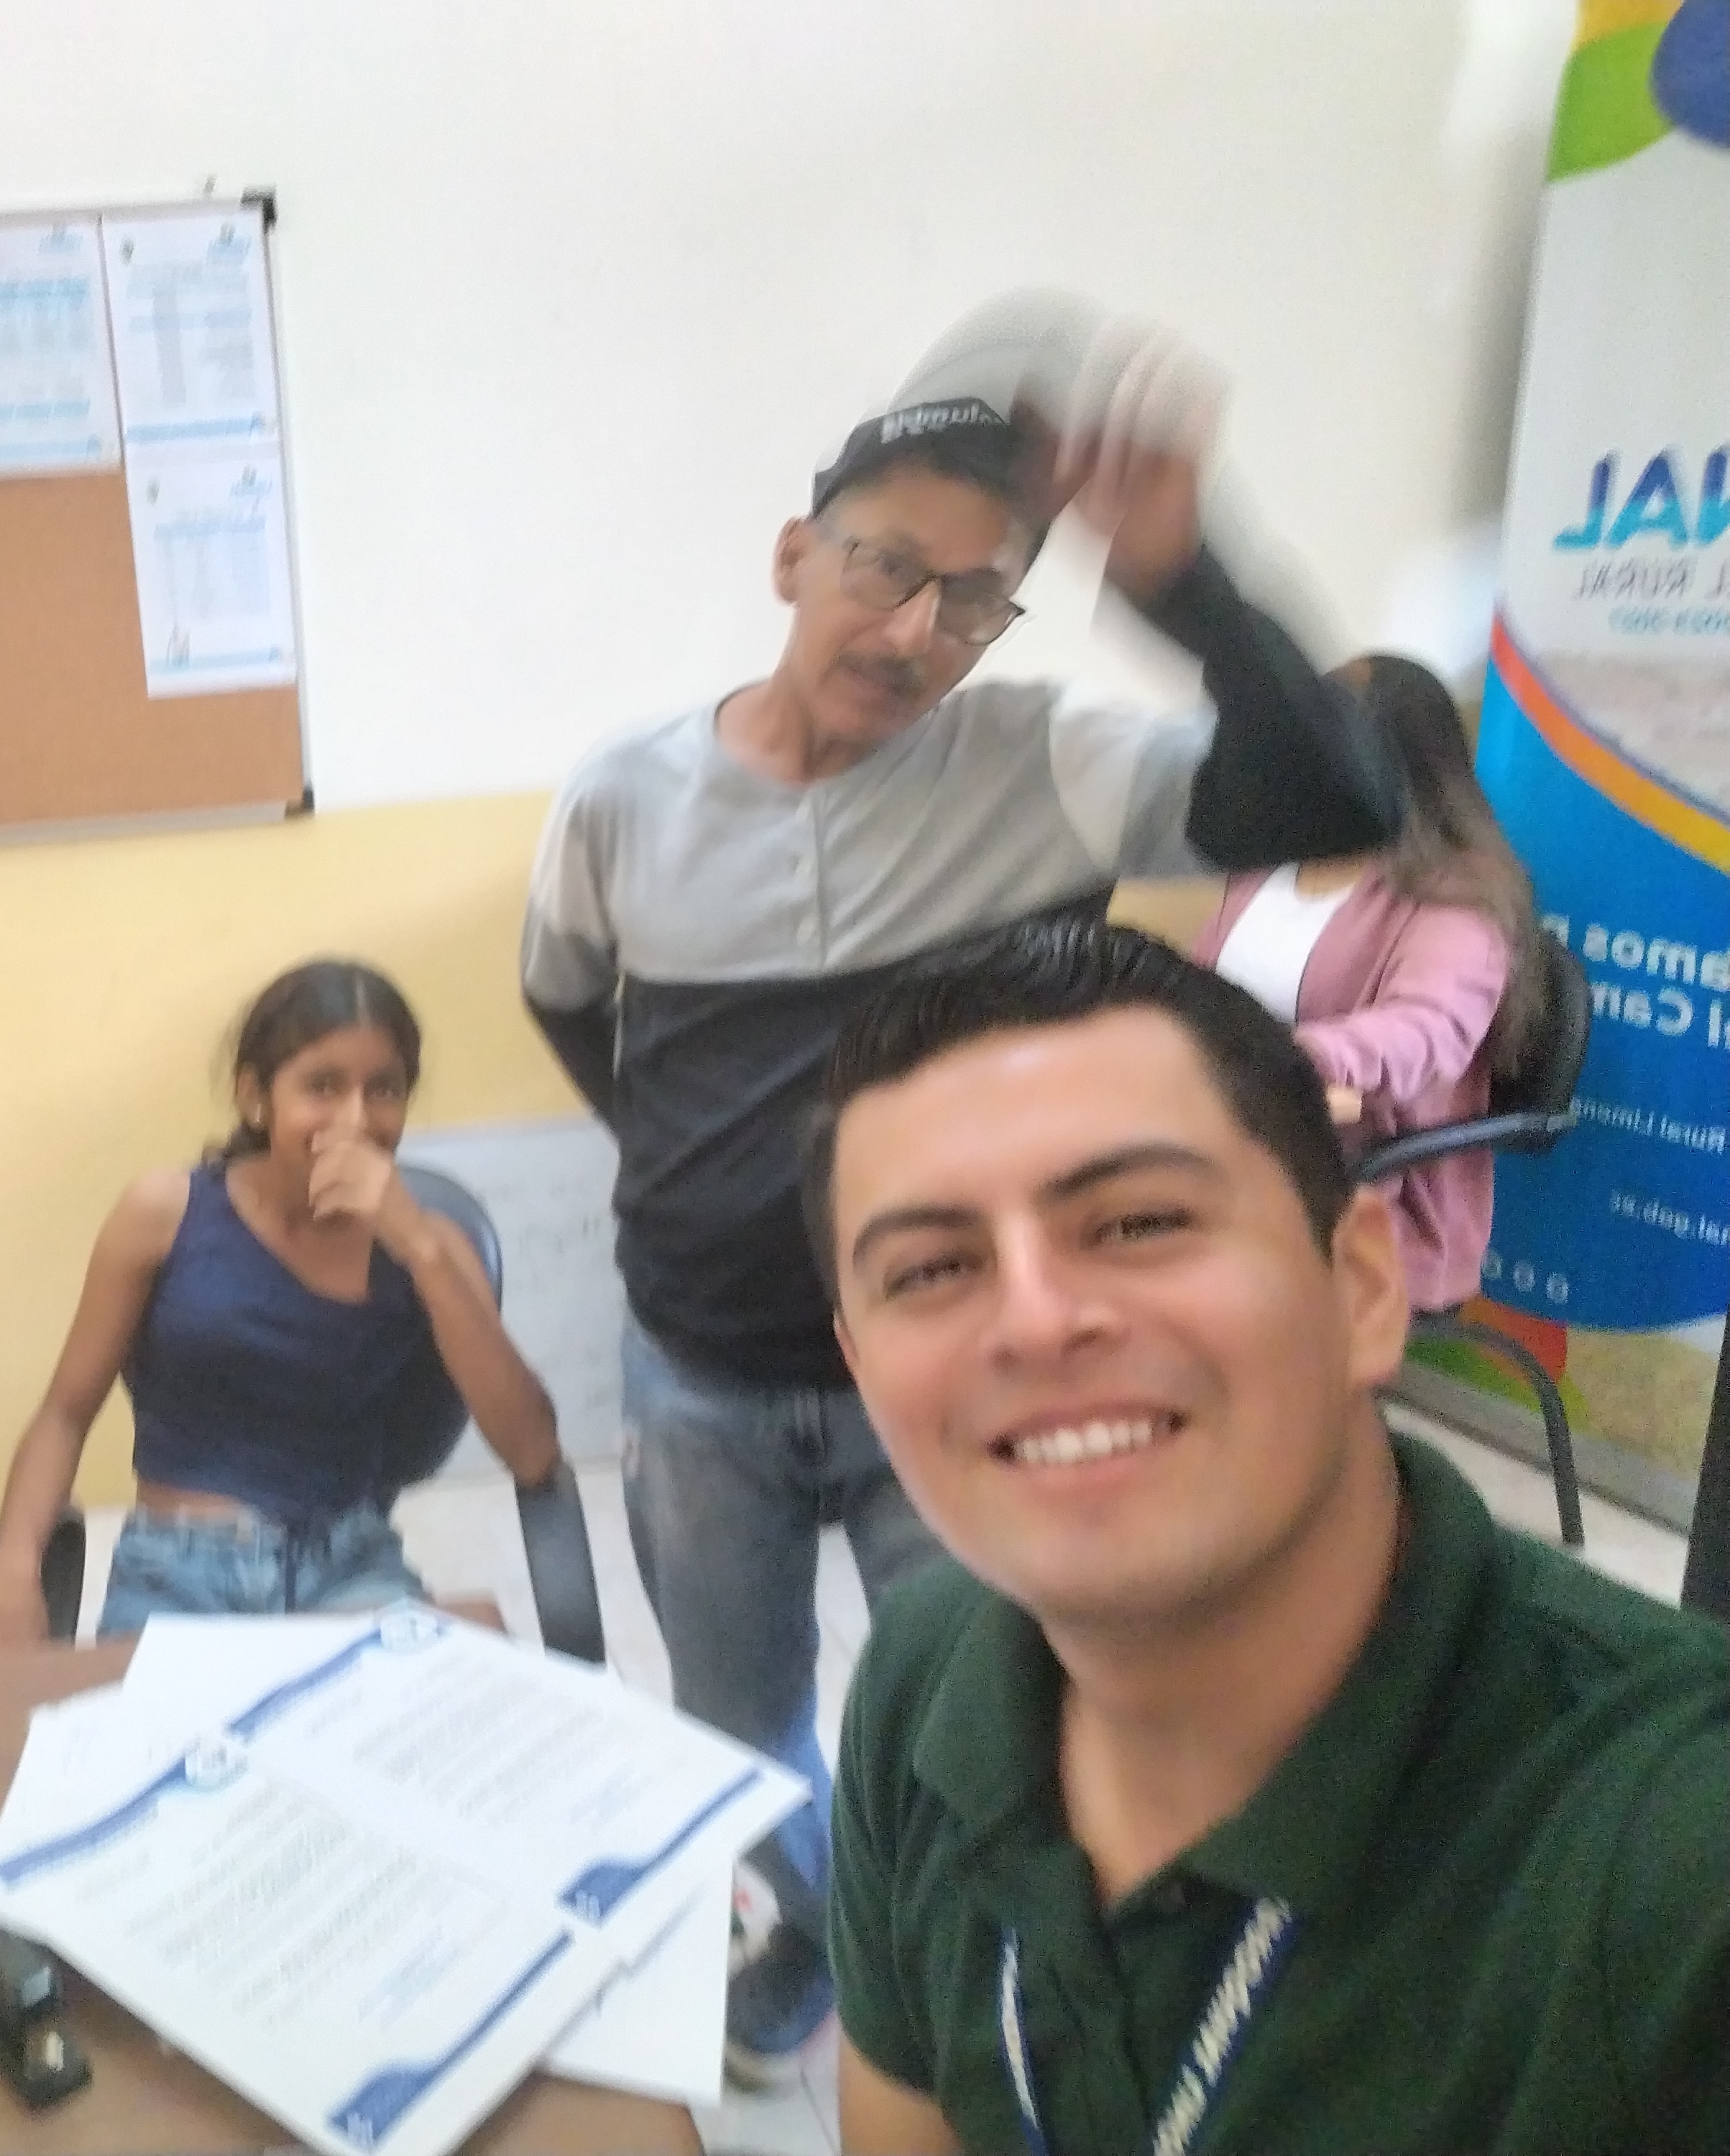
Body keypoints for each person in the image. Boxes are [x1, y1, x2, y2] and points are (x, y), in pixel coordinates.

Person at [519, 300, 1405, 2079]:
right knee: (735, 1718)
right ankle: (814, 1942)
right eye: (881, 569)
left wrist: (1182, 574)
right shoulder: (619, 796)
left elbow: (1334, 792)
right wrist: (700, 1175)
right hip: (698, 1374)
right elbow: (565, 1001)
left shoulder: (1041, 762)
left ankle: (972, 1986)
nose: (915, 629)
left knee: (1000, 1707)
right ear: (793, 556)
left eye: (974, 598)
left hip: (962, 1367)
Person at [806, 918, 1728, 2156]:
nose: (1033, 1323)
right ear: (863, 1371)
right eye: (930, 1271)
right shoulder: (925, 1680)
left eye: (1139, 1222)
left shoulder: (1671, 1868)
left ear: (1362, 1285)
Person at [0, 959, 564, 1649]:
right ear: (255, 1097)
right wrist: (13, 1570)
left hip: (349, 1569)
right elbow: (64, 1415)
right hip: (177, 1573)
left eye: (385, 1090)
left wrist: (421, 1251)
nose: (355, 1120)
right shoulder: (164, 1214)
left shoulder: (432, 1246)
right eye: (322, 1086)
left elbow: (534, 1453)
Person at [1195, 650, 1549, 1312]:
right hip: (1244, 1141)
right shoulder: (1269, 867)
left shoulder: (1456, 898)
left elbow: (1423, 1034)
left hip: (1363, 1188)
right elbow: (1196, 992)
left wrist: (1276, 1061)